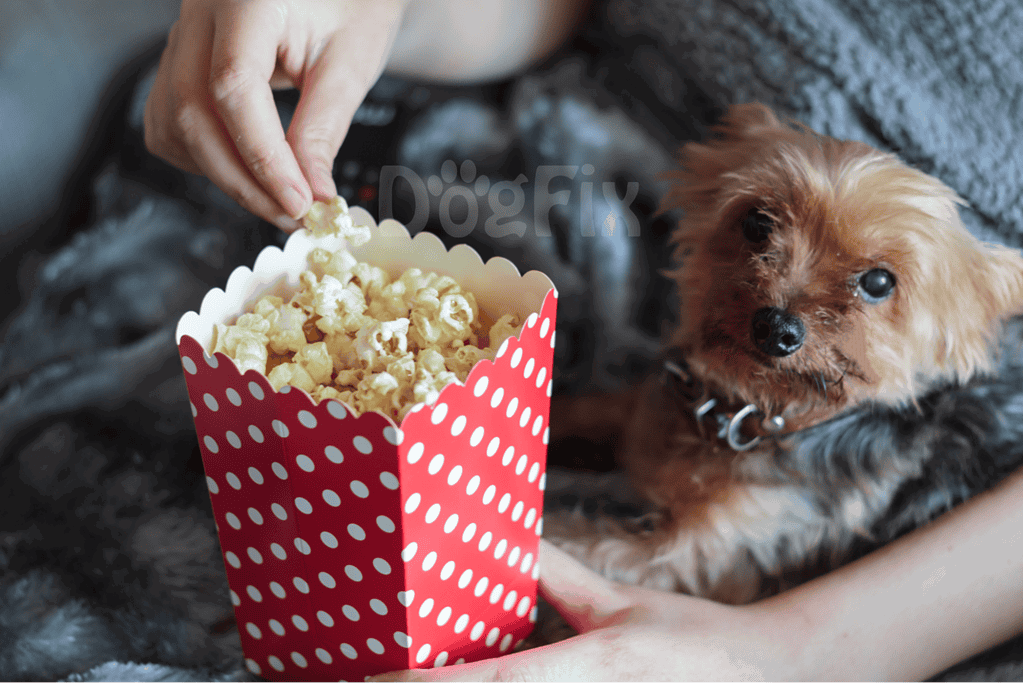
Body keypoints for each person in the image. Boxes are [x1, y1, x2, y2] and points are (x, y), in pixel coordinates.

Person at [145, 2, 1023, 679]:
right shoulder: (696, 350)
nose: (779, 303)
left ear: (974, 321)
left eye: (873, 284)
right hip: (554, 138)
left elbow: (670, 564)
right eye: (759, 228)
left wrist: (464, 543)